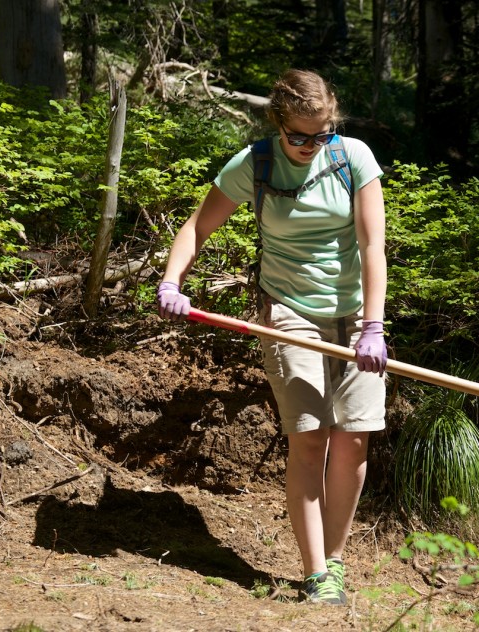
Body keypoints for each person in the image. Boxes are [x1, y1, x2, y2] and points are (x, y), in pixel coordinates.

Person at [156, 68, 388, 606]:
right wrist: (173, 280)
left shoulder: (352, 157)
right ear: (277, 124)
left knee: (354, 440)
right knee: (311, 435)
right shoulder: (255, 164)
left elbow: (373, 245)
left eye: (322, 133)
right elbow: (196, 227)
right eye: (299, 136)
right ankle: (316, 575)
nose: (311, 145)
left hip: (356, 313)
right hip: (287, 310)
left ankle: (332, 561)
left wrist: (373, 326)